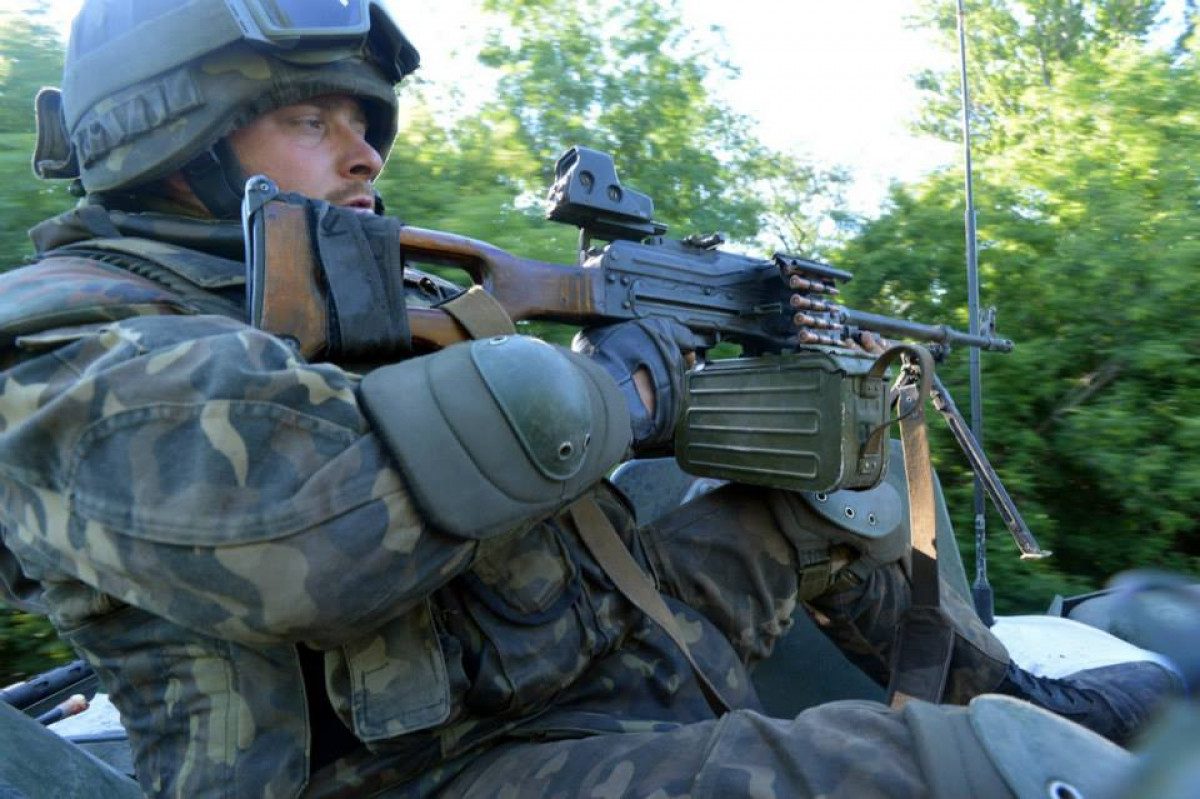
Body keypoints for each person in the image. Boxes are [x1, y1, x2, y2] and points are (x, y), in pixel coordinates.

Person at [0, 1, 1179, 797]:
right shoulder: (70, 342)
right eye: (312, 119)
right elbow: (312, 534)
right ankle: (1014, 728)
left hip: (586, 662)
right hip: (434, 770)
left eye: (366, 125)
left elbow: (564, 454)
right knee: (989, 765)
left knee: (836, 475)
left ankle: (1009, 676)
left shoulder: (363, 290)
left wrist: (757, 371)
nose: (364, 157)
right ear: (171, 138)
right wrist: (628, 375)